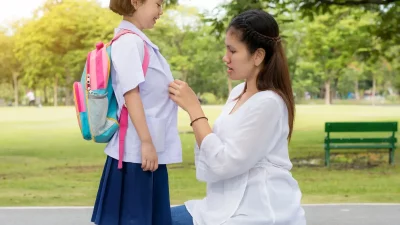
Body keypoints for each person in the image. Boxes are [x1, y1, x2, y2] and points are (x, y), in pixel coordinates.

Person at [168, 9, 306, 225]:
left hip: (256, 210)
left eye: (233, 51)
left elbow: (224, 163)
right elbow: (215, 152)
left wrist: (194, 109)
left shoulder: (269, 103)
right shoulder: (237, 93)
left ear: (258, 56)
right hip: (220, 204)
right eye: (226, 49)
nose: (226, 58)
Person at [91, 0, 182, 225]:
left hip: (145, 149)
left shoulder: (137, 41)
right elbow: (131, 94)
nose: (161, 11)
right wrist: (146, 142)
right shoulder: (129, 42)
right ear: (136, 2)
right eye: (158, 4)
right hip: (137, 153)